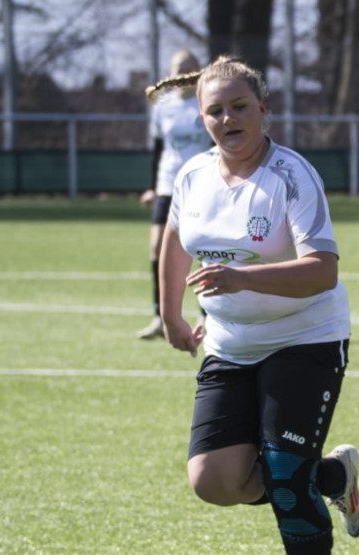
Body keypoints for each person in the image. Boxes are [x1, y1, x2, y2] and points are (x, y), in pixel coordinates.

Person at [153, 55, 359, 555]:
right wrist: (170, 312)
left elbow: (322, 271)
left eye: (239, 106)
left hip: (306, 337)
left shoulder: (292, 176)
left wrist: (243, 278)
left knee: (280, 471)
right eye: (215, 111)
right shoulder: (193, 176)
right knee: (213, 481)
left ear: (264, 109)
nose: (228, 119)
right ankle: (331, 476)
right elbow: (175, 242)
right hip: (228, 342)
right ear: (202, 120)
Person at [136, 49, 212, 340]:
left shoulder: (205, 103)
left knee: (205, 249)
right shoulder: (162, 106)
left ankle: (207, 315)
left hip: (201, 185)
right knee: (157, 247)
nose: (181, 75)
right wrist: (151, 186)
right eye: (176, 69)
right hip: (168, 185)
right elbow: (158, 149)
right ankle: (160, 315)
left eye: (188, 68)